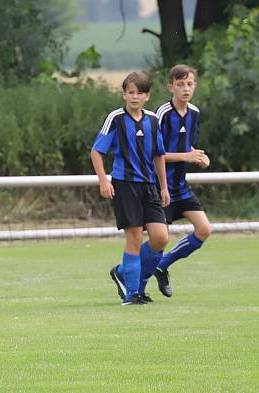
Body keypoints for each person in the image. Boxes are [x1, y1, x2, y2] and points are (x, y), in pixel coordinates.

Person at [91, 71, 170, 306]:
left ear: (148, 95)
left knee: (160, 238)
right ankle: (132, 294)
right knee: (134, 237)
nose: (134, 97)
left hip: (149, 186)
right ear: (124, 94)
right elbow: (96, 151)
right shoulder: (116, 118)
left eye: (140, 93)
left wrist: (163, 187)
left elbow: (159, 155)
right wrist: (104, 180)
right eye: (130, 92)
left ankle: (123, 271)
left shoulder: (153, 120)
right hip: (125, 185)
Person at [153, 64, 211, 297]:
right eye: (180, 85)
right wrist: (186, 156)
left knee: (204, 229)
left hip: (181, 187)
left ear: (195, 86)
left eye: (189, 84)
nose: (185, 89)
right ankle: (130, 279)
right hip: (160, 187)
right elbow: (154, 153)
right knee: (158, 241)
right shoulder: (162, 114)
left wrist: (199, 157)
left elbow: (188, 147)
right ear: (170, 87)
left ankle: (162, 267)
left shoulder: (194, 113)